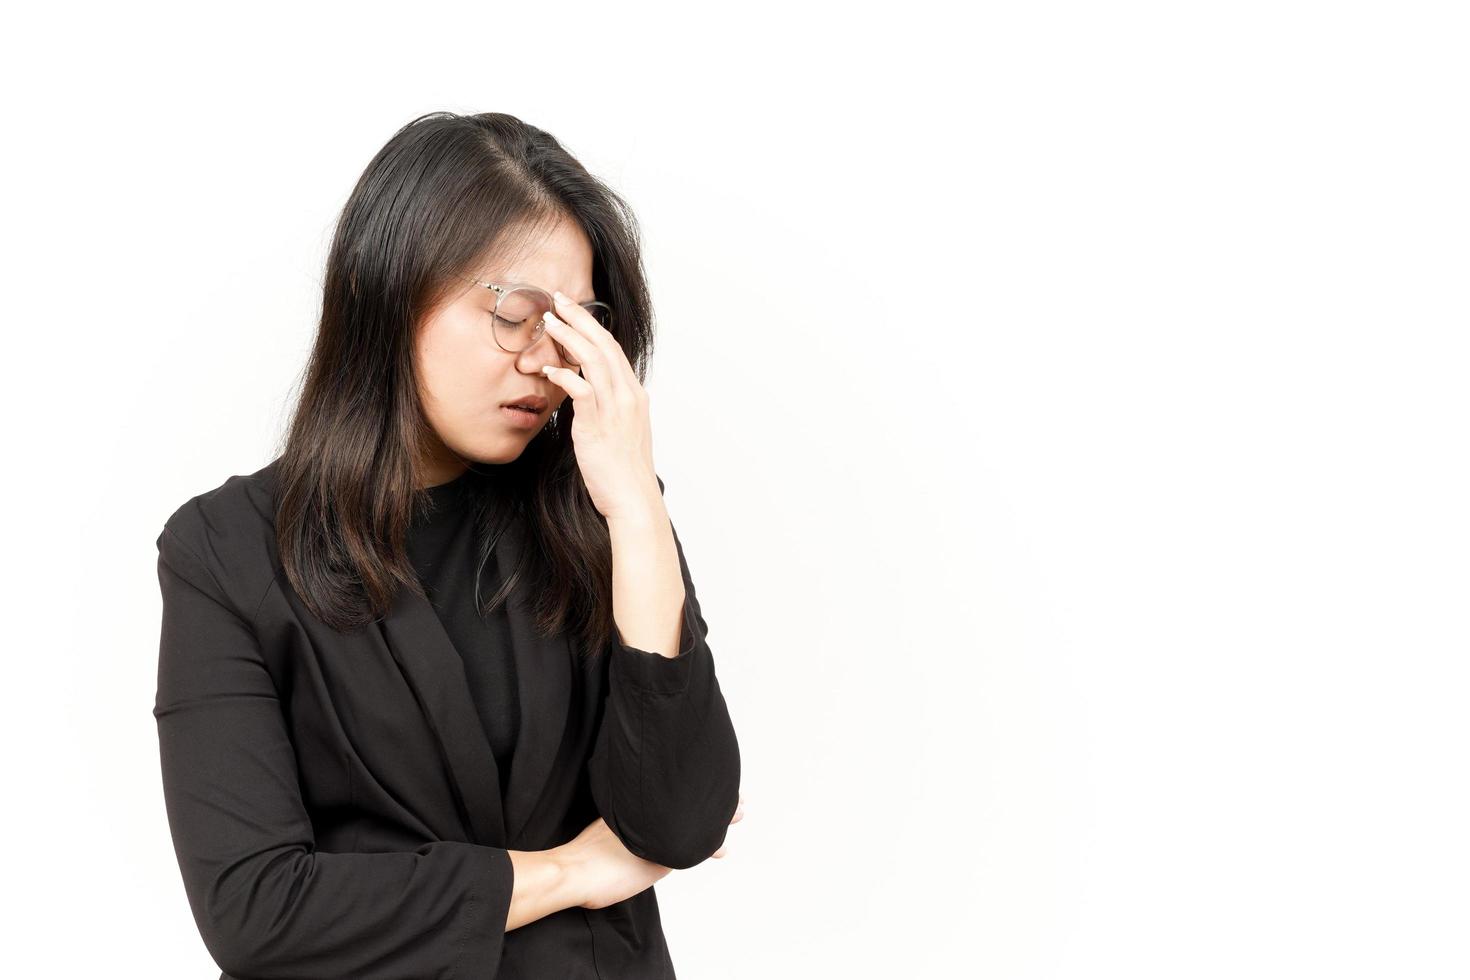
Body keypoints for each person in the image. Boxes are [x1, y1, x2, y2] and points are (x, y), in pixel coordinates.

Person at [153, 111, 744, 979]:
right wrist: (571, 872)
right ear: (385, 293)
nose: (545, 361)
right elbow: (257, 912)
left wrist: (635, 508)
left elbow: (683, 823)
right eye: (516, 314)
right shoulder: (226, 551)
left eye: (575, 324)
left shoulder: (604, 510)